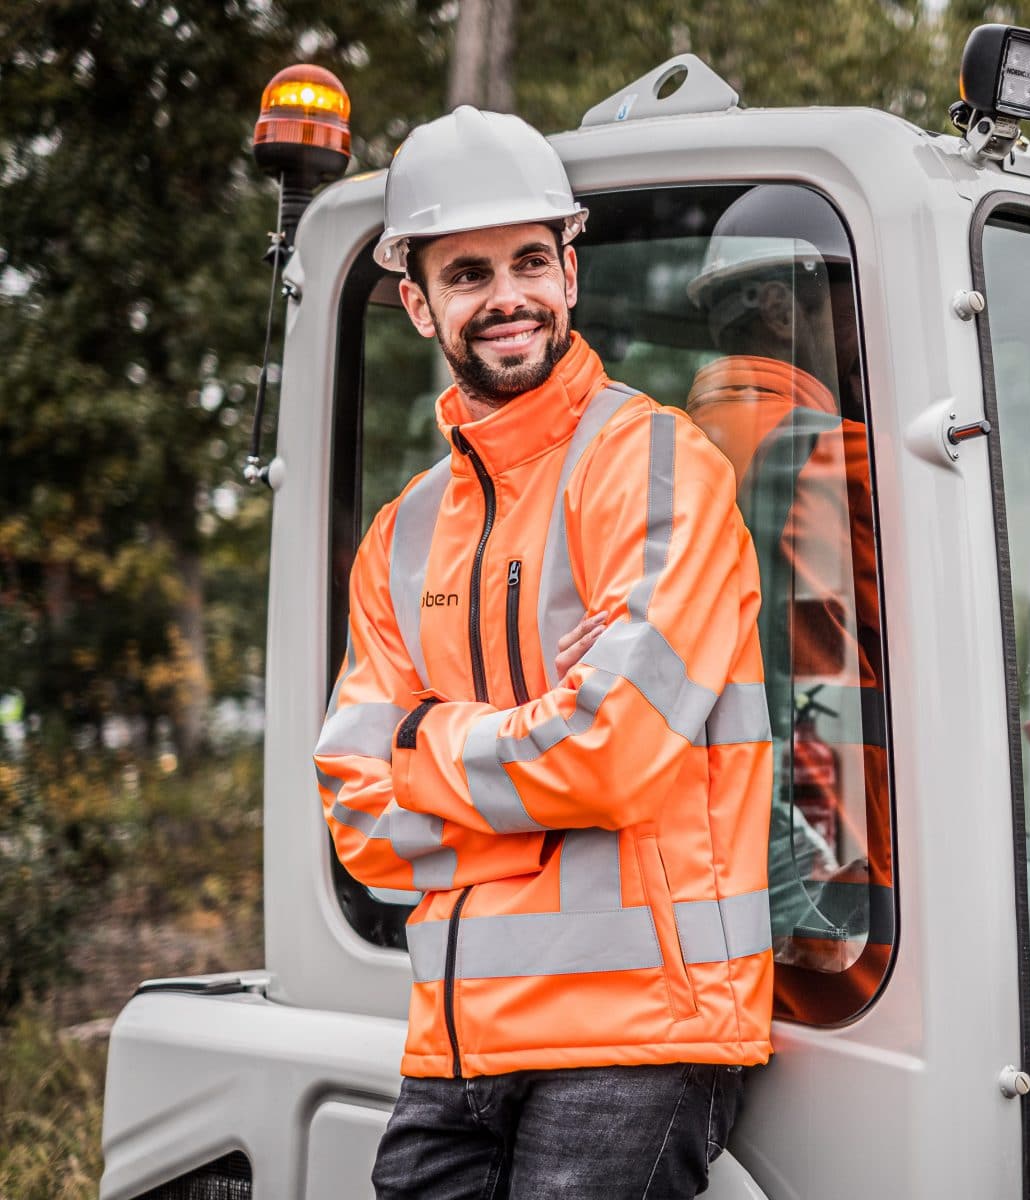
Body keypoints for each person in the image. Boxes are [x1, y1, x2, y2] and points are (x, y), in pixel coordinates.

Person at [313, 106, 773, 1200]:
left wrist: (428, 735)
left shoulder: (659, 464)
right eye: (468, 273)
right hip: (456, 1049)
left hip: (639, 1035)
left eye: (529, 260)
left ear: (570, 273)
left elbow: (609, 751)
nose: (506, 295)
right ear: (420, 302)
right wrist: (540, 749)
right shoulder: (402, 534)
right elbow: (359, 818)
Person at [684, 186, 890, 1001]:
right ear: (780, 305)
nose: (863, 336)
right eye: (849, 305)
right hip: (847, 915)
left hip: (723, 909)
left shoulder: (667, 460)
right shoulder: (845, 462)